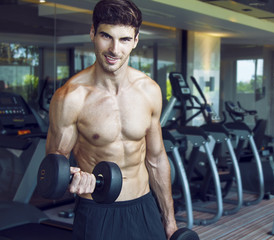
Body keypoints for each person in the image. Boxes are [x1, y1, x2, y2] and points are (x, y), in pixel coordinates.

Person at [45, 0, 178, 239]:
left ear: (136, 41)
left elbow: (156, 159)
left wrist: (169, 220)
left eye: (125, 39)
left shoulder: (149, 90)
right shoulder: (71, 97)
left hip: (144, 207)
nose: (115, 49)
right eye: (106, 36)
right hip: (97, 211)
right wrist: (75, 178)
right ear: (93, 33)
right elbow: (55, 167)